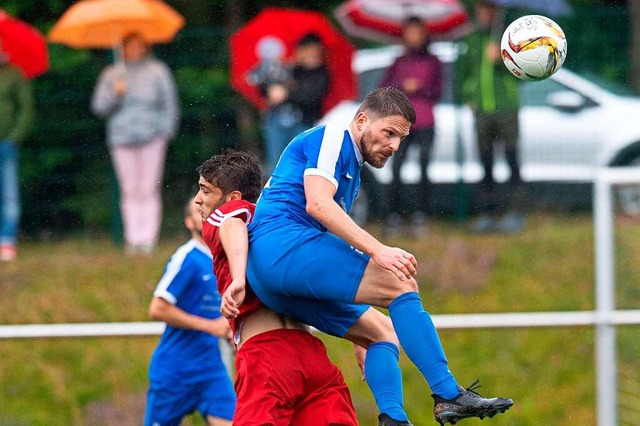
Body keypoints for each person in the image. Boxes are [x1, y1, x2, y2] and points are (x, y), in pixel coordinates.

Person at [235, 87, 512, 426]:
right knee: (399, 281)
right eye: (389, 133)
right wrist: (379, 249)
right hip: (281, 249)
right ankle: (447, 393)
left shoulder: (351, 165)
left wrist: (357, 328)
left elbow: (326, 236)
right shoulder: (334, 137)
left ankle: (393, 420)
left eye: (401, 138)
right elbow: (317, 204)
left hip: (274, 278)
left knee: (381, 333)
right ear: (362, 120)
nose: (395, 146)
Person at [195, 151, 358, 425]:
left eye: (205, 191)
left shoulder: (226, 216)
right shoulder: (281, 227)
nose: (198, 199)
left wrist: (237, 277)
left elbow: (231, 223)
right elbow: (325, 277)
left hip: (267, 356)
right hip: (312, 355)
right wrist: (358, 334)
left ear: (233, 198)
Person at [145, 197, 235, 426]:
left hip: (210, 368)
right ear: (188, 222)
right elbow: (158, 308)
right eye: (198, 210)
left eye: (211, 208)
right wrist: (210, 326)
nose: (206, 213)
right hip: (176, 369)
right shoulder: (187, 258)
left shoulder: (224, 259)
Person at [92, 33, 179, 254]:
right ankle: (133, 239)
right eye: (130, 47)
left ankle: (148, 238)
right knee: (129, 189)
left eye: (139, 46)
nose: (134, 50)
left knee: (148, 187)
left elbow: (170, 104)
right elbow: (99, 107)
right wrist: (116, 93)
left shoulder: (158, 71)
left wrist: (166, 132)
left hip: (152, 137)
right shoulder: (112, 74)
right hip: (122, 138)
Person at [459, 0, 524, 233]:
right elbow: (464, 73)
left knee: (511, 158)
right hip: (482, 111)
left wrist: (501, 62)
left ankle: (515, 212)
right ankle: (488, 212)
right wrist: (469, 98)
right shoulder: (473, 40)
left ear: (497, 12)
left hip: (506, 108)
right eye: (481, 9)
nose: (484, 14)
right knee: (485, 161)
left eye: (489, 9)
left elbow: (521, 75)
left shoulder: (510, 40)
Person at [379, 16, 442, 238]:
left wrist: (420, 87)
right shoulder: (399, 62)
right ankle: (394, 214)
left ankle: (421, 213)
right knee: (396, 168)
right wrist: (401, 86)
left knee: (424, 168)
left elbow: (438, 91)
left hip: (424, 121)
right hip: (401, 123)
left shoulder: (433, 61)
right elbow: (384, 89)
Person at [256, 32, 330, 174]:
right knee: (277, 164)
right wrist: (273, 75)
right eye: (308, 50)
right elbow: (264, 87)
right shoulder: (289, 69)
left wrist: (286, 94)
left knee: (301, 164)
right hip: (277, 123)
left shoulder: (321, 73)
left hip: (304, 124)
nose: (312, 54)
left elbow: (310, 96)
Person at [0, 39, 34, 261]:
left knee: (9, 195)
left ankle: (6, 241)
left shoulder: (14, 74)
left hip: (6, 143)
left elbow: (25, 108)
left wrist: (15, 137)